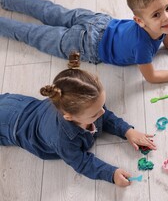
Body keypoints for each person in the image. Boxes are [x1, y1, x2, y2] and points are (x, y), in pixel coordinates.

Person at [0, 0, 168, 83]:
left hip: (97, 22)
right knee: (33, 35)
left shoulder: (161, 25)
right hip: (85, 45)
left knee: (50, 11)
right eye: (157, 14)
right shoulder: (142, 46)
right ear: (139, 21)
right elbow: (151, 77)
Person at [0, 52, 157, 187]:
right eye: (95, 113)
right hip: (11, 127)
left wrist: (127, 130)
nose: (103, 112)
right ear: (69, 116)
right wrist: (111, 174)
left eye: (102, 105)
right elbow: (82, 162)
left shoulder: (87, 106)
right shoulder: (62, 140)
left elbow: (106, 116)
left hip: (20, 104)